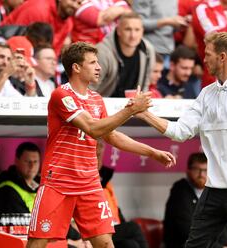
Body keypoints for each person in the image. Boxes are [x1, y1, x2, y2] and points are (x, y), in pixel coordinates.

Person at [135, 32, 227, 248]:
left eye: (208, 54)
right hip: (215, 190)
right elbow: (180, 131)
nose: (203, 60)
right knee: (194, 245)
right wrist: (144, 115)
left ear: (222, 57)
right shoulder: (206, 94)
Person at [26, 41, 175, 248]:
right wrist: (130, 110)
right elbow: (92, 128)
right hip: (58, 183)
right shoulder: (61, 95)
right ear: (76, 67)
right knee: (37, 243)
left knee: (105, 243)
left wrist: (151, 152)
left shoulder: (96, 99)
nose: (99, 67)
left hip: (89, 184)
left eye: (98, 62)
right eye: (93, 62)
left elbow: (111, 135)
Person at [97, 139, 148, 248]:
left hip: (113, 227)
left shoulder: (105, 181)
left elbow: (115, 208)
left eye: (101, 155)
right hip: (98, 230)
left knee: (130, 245)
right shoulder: (83, 179)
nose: (99, 160)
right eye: (97, 155)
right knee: (133, 228)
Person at [91, 12, 155, 97]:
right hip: (103, 103)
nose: (133, 35)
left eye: (137, 30)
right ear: (118, 31)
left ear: (142, 31)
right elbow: (90, 88)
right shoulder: (102, 53)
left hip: (132, 105)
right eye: (128, 29)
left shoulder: (148, 50)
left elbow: (145, 85)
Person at [1, 0, 81, 57]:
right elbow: (16, 40)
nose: (75, 5)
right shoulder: (38, 9)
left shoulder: (68, 23)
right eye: (72, 0)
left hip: (35, 59)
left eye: (79, 3)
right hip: (5, 47)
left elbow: (53, 54)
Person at [0, 142, 41, 216]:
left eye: (35, 162)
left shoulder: (41, 185)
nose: (32, 166)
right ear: (17, 161)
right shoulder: (7, 190)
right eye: (27, 161)